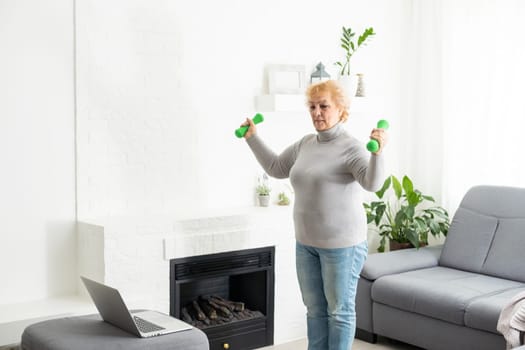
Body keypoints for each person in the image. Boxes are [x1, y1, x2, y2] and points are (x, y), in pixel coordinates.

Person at [239, 79, 387, 350]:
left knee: (339, 313)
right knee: (315, 311)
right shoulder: (305, 144)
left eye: (324, 106)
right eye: (312, 106)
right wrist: (253, 138)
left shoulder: (351, 147)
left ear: (341, 109)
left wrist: (379, 153)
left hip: (342, 247)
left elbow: (373, 184)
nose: (317, 112)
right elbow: (275, 167)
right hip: (306, 244)